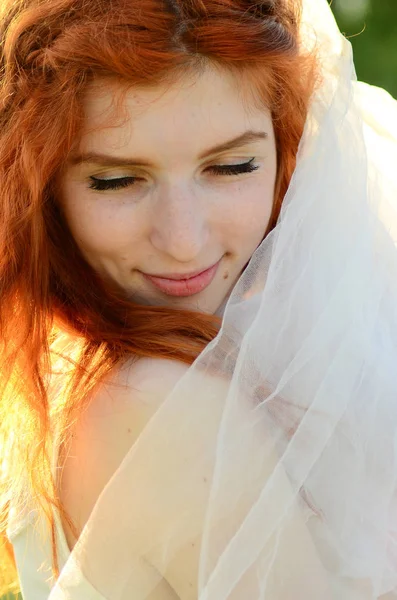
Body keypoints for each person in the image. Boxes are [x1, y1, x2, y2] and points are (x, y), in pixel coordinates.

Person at [1, 0, 397, 597]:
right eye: (116, 180)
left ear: (288, 152)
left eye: (232, 167)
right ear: (40, 183)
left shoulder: (75, 360)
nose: (184, 243)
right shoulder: (155, 401)